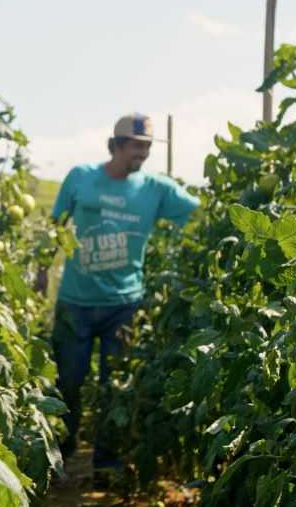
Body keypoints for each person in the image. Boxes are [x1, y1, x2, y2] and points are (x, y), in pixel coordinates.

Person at [38, 112, 199, 482]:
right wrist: (42, 270)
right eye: (136, 146)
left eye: (147, 147)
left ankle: (106, 463)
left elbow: (204, 214)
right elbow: (55, 226)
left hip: (124, 304)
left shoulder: (156, 189)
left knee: (116, 387)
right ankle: (62, 452)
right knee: (69, 382)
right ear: (117, 144)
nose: (142, 154)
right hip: (75, 301)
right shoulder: (81, 178)